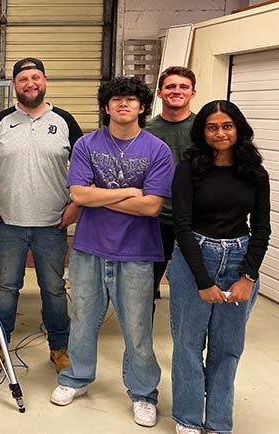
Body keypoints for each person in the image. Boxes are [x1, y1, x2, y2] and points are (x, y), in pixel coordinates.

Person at [50, 76, 174, 428]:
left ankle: (143, 394)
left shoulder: (157, 150)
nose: (123, 104)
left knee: (137, 328)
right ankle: (76, 378)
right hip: (89, 249)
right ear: (106, 106)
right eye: (116, 99)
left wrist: (101, 195)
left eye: (131, 99)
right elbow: (79, 196)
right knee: (83, 321)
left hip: (137, 252)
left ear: (142, 106)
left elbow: (152, 207)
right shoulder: (87, 145)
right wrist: (130, 192)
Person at [167, 100, 270, 434]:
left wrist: (248, 277)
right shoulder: (188, 169)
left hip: (239, 259)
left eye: (227, 126)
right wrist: (202, 280)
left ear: (238, 128)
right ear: (203, 132)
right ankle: (188, 418)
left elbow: (262, 229)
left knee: (227, 347)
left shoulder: (254, 172)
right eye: (212, 127)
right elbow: (180, 226)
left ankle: (219, 422)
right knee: (188, 344)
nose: (220, 133)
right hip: (194, 257)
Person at [0, 57, 82, 375]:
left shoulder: (64, 121)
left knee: (53, 288)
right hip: (8, 222)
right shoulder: (0, 122)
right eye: (23, 79)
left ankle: (59, 347)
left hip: (52, 223)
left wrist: (75, 206)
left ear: (45, 80)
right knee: (7, 287)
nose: (30, 83)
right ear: (14, 85)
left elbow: (83, 167)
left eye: (35, 77)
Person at [145, 66, 197, 300]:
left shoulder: (203, 130)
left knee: (191, 283)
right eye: (171, 86)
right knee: (147, 285)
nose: (177, 91)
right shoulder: (146, 131)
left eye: (183, 87)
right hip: (155, 219)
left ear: (192, 93)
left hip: (194, 219)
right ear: (159, 93)